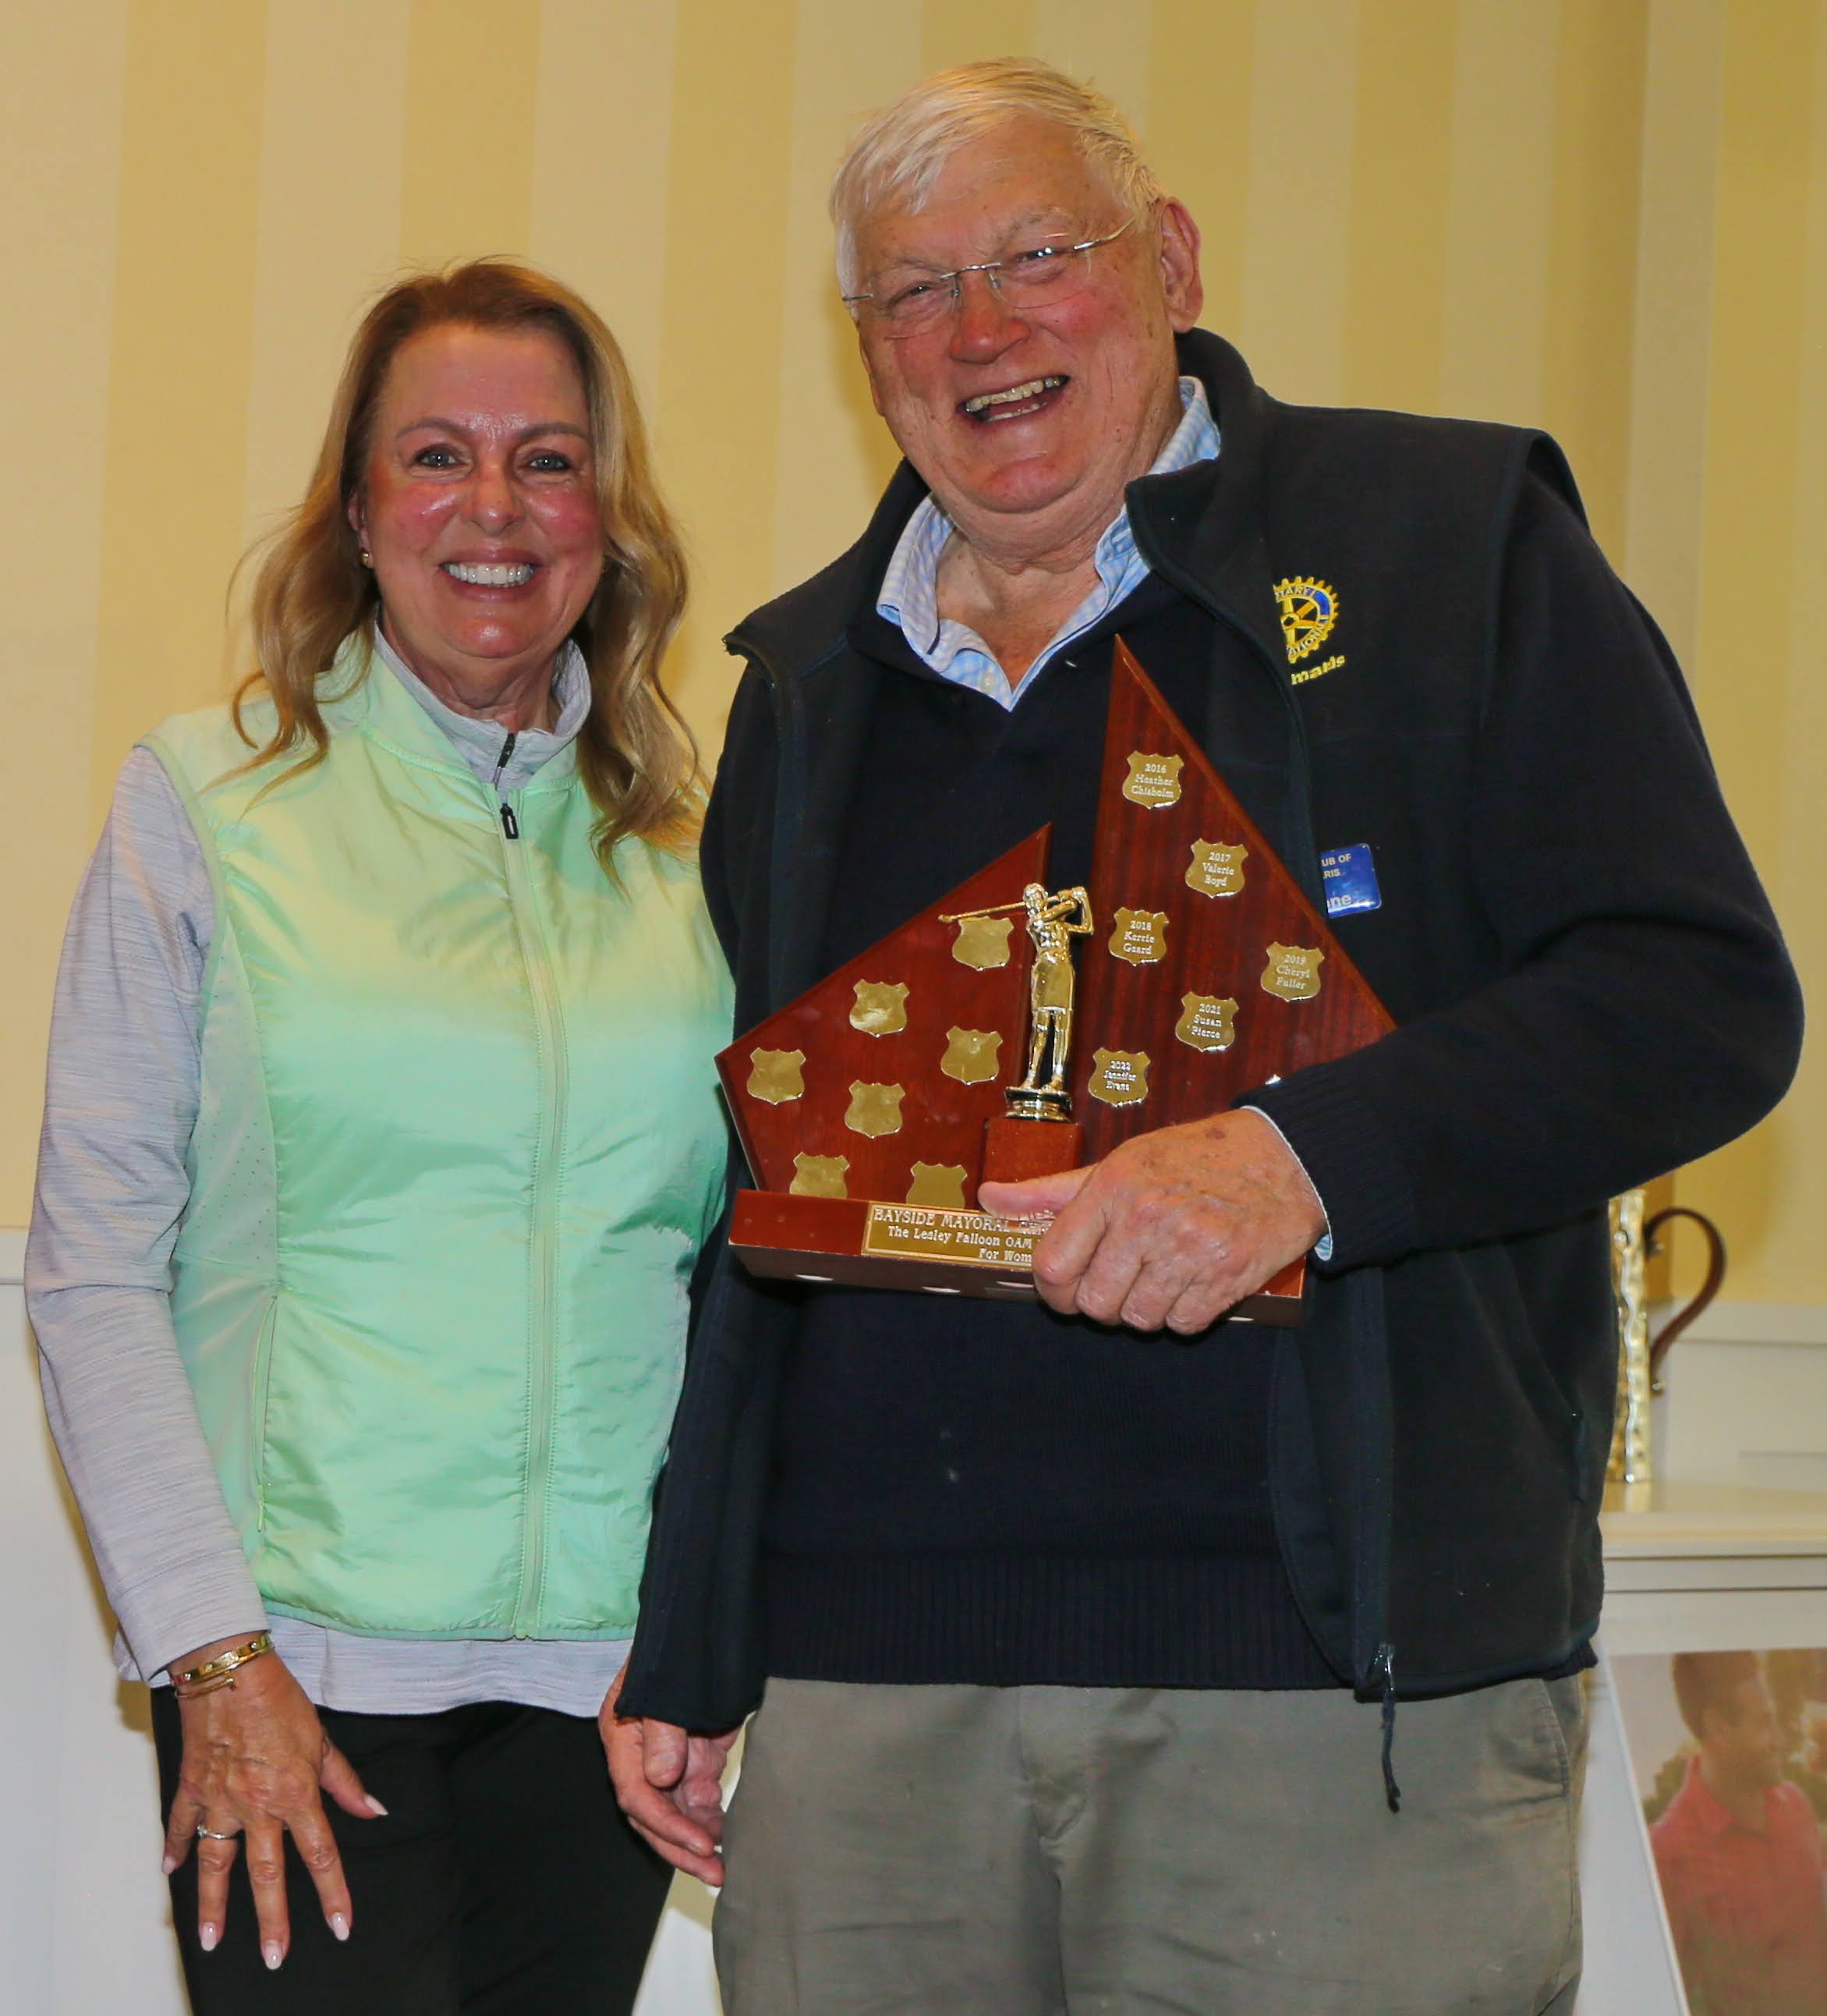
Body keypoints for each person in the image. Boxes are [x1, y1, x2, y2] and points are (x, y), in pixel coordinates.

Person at [607, 58, 1804, 2016]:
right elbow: (763, 1193)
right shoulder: (802, 683)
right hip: (861, 1707)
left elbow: (1692, 997)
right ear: (864, 351)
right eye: (912, 291)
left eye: (1035, 257)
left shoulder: (1444, 550)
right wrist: (691, 1630)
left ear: (1164, 261)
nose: (978, 330)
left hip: (1327, 1706)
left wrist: (1299, 1161)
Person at [27, 260, 732, 2013]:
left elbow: (733, 1274)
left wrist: (707, 1633)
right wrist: (212, 1655)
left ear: (606, 516)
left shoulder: (686, 850)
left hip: (605, 1694)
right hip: (294, 1678)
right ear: (356, 508)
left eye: (548, 459)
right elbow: (94, 1268)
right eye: (436, 455)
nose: (495, 506)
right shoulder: (206, 800)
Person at [1652, 1655, 1827, 2016]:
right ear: (1718, 1728)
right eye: (1764, 1724)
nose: (1780, 1740)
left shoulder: (1796, 1806)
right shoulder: (1667, 1851)